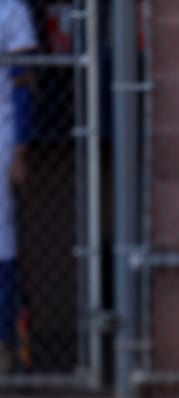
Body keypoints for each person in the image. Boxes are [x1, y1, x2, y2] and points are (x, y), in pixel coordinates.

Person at [0, 0, 37, 373]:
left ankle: (4, 347)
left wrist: (21, 149)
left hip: (1, 135)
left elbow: (25, 80)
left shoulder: (10, 8)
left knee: (2, 243)